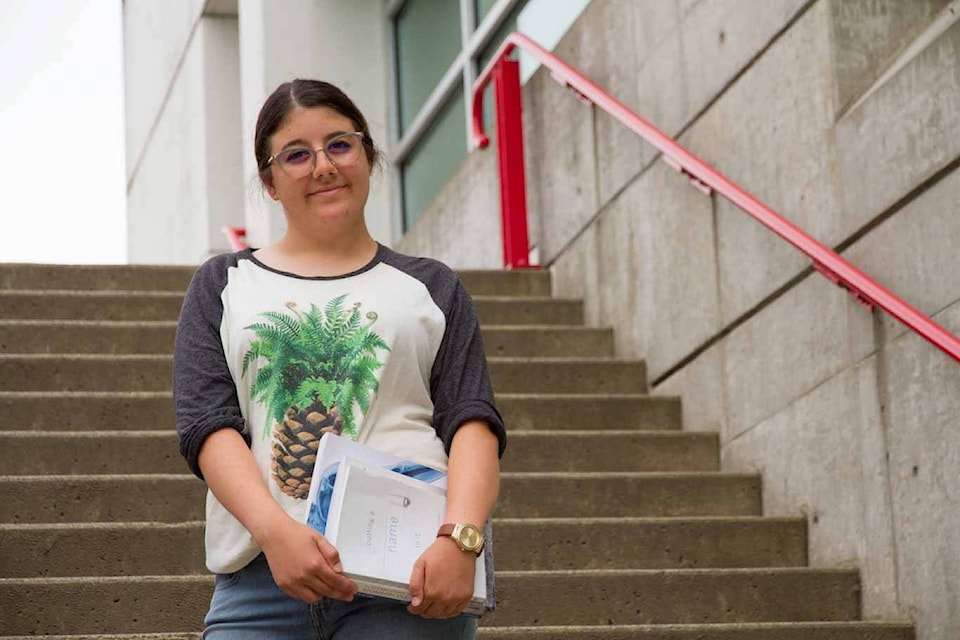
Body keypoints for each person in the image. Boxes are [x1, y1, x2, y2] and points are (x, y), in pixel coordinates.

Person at [173, 78, 506, 640]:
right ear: (270, 182)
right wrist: (276, 534)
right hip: (260, 579)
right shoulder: (224, 284)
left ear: (369, 157)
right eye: (296, 155)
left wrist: (461, 538)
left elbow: (471, 420)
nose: (323, 166)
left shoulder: (432, 286)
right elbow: (207, 424)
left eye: (340, 144)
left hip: (407, 576)